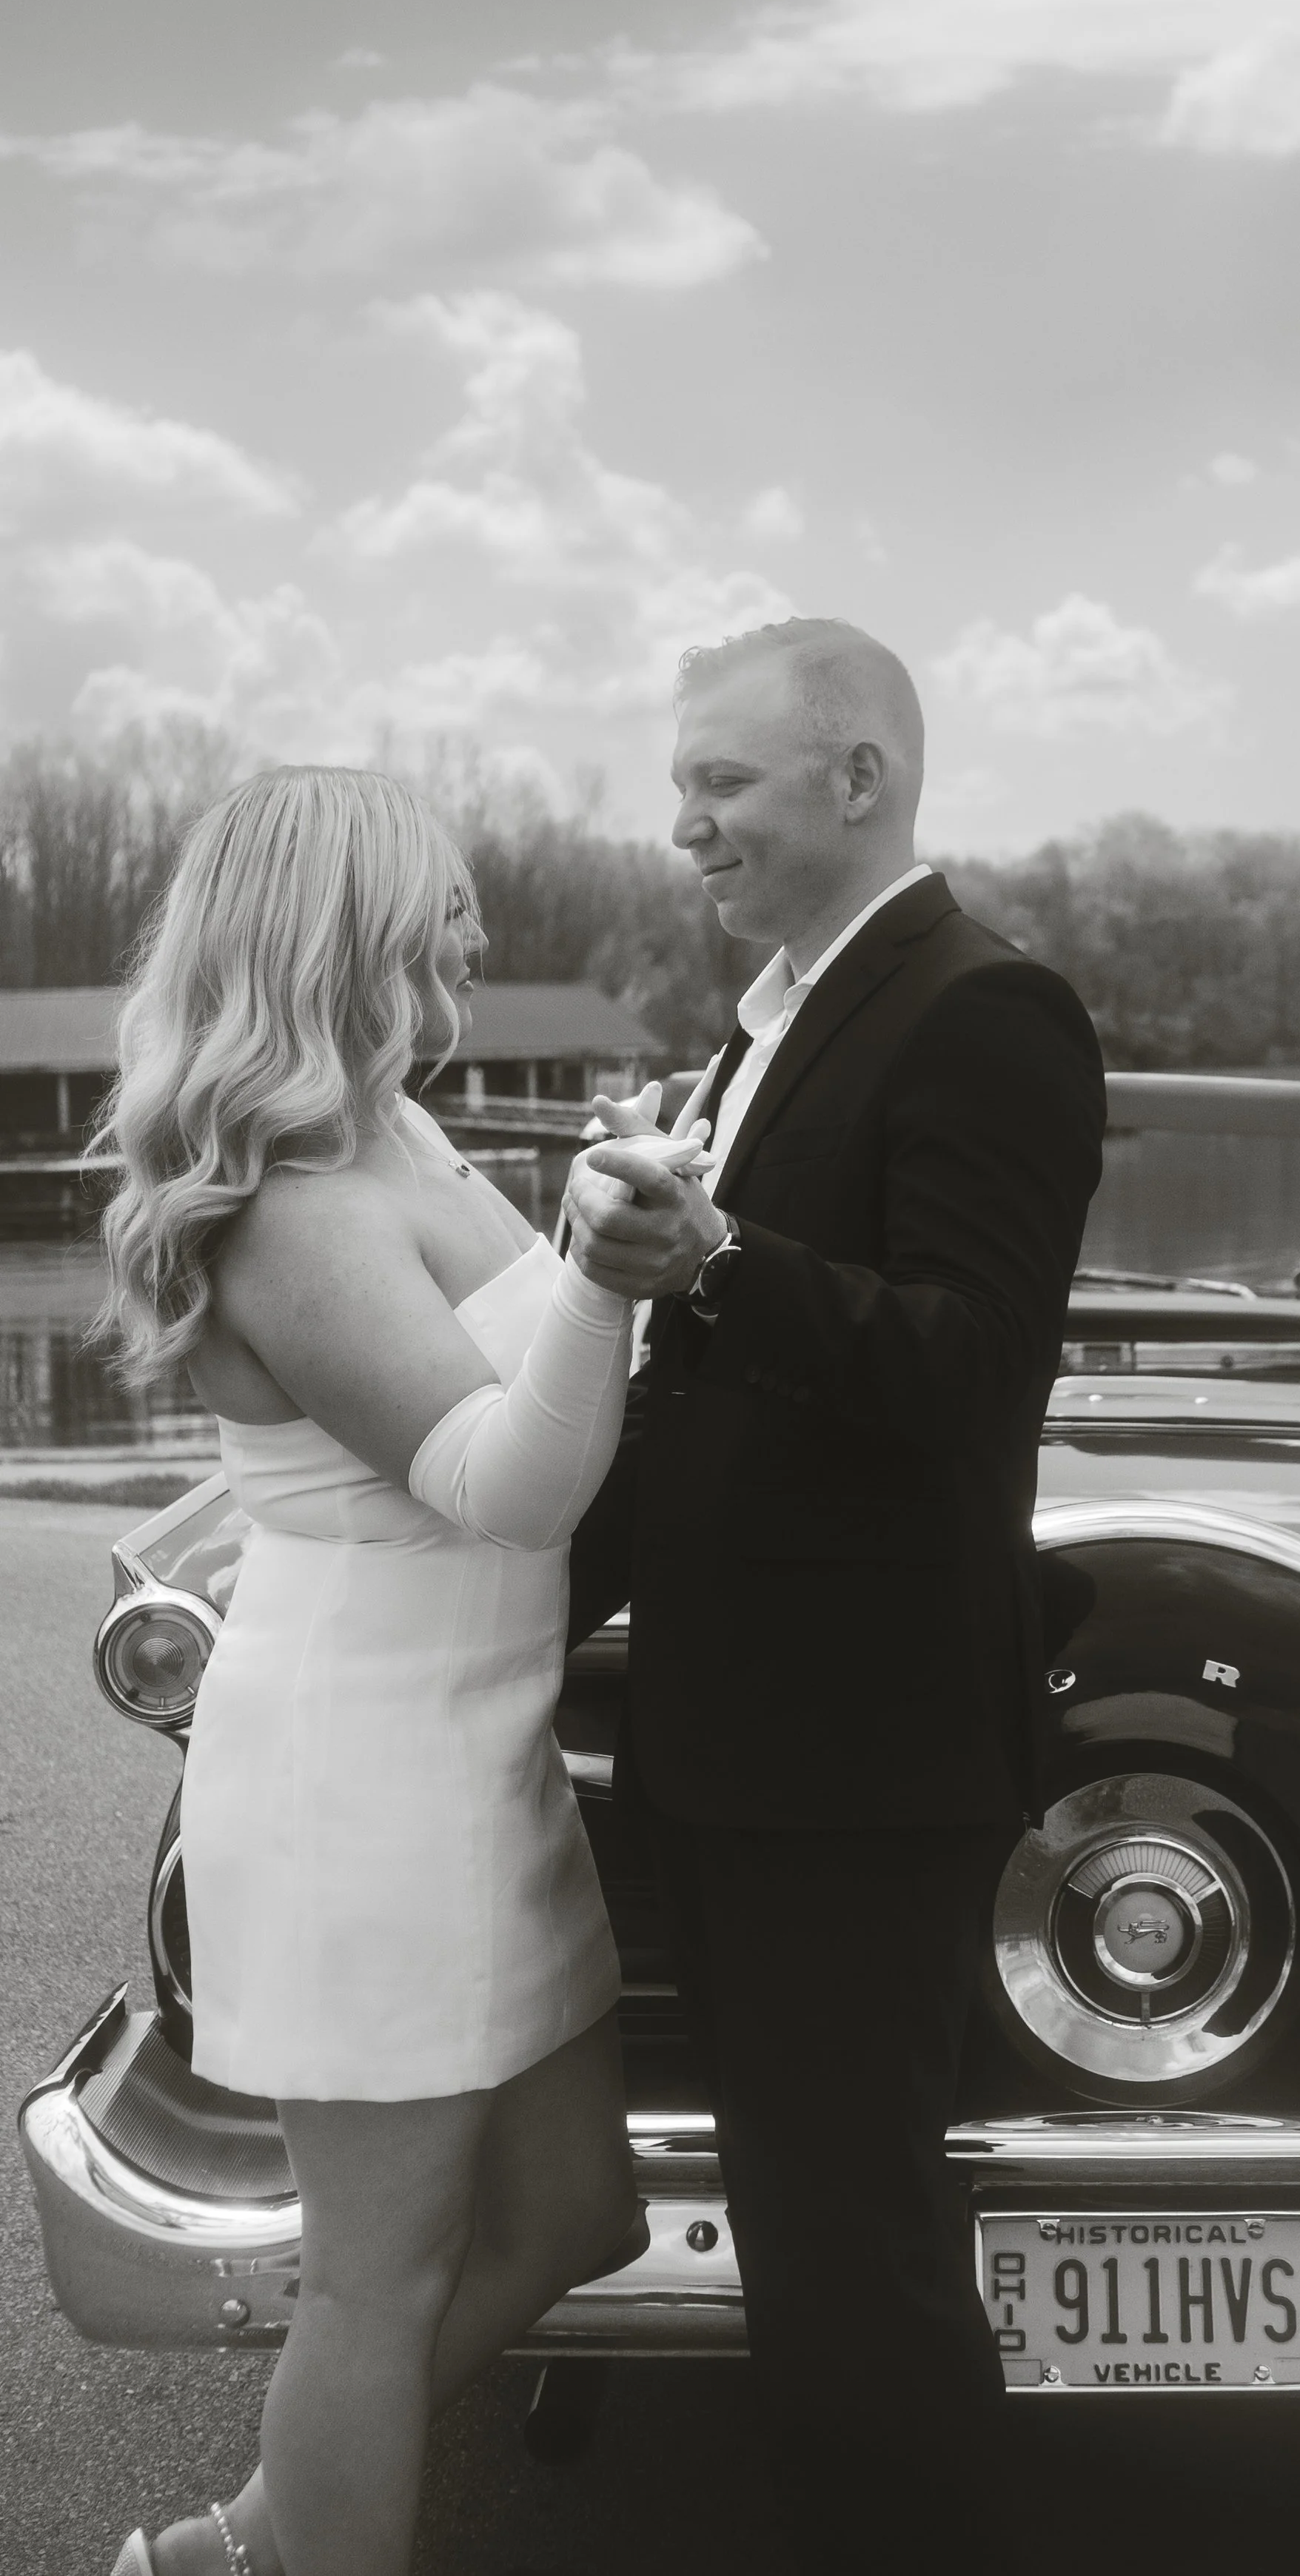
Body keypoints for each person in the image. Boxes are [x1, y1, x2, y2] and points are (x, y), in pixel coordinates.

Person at [100, 767, 706, 2576]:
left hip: (476, 1761)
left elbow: (537, 1375)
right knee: (377, 2284)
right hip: (361, 1783)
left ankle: (244, 2548)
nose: (460, 972)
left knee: (577, 2211)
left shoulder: (399, 1134)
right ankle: (265, 2552)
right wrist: (603, 1274)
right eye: (429, 932)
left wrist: (644, 1206)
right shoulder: (290, 1202)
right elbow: (507, 1485)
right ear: (331, 933)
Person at [566, 616, 1107, 2572]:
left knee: (852, 2261)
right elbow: (707, 1395)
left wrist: (712, 1256)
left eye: (721, 782)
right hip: (741, 1743)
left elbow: (972, 1368)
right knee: (805, 2246)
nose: (681, 824)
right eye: (682, 783)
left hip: (851, 1760)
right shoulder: (771, 1012)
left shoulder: (983, 1006)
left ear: (857, 779)